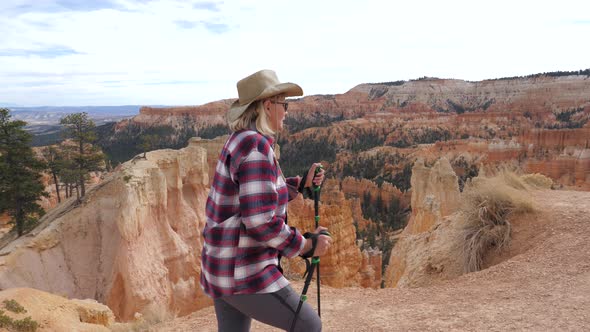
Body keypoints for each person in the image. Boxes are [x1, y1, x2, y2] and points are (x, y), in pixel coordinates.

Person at [200, 69, 332, 332]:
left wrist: (299, 184)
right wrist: (305, 245)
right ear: (268, 106)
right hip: (244, 270)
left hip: (221, 265)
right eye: (284, 104)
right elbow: (260, 221)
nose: (286, 111)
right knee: (309, 325)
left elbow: (256, 196)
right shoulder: (256, 148)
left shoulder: (240, 140)